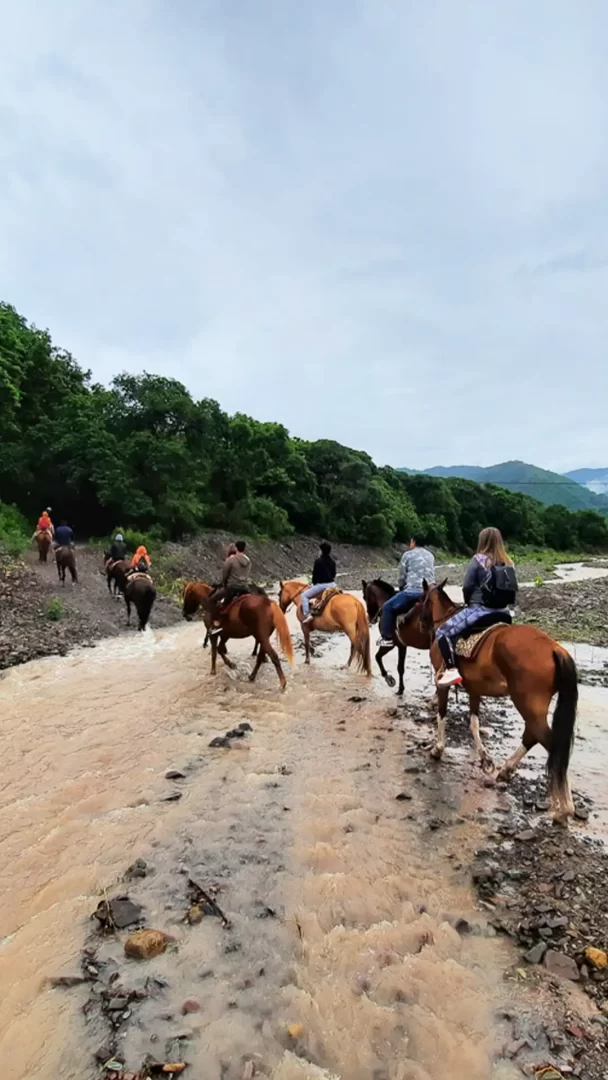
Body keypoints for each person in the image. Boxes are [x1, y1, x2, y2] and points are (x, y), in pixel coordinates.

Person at [435, 527, 518, 688]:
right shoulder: (509, 562)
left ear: (482, 541)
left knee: (442, 632)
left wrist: (468, 603)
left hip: (481, 610)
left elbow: (467, 586)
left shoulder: (478, 559)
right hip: (504, 612)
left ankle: (451, 670)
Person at [377, 535, 435, 646]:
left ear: (413, 542)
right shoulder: (431, 556)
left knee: (387, 606)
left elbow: (402, 576)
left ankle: (387, 638)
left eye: (410, 542)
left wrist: (402, 587)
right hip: (429, 593)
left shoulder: (407, 555)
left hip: (412, 592)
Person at [208, 540, 252, 632]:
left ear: (236, 547)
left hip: (232, 587)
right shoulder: (248, 560)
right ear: (244, 548)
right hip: (245, 587)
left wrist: (223, 583)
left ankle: (217, 623)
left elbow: (225, 575)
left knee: (212, 600)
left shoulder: (231, 560)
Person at [301, 541, 337, 625]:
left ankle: (307, 615)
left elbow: (315, 575)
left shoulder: (318, 561)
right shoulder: (332, 562)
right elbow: (334, 575)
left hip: (321, 585)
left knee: (304, 596)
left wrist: (313, 584)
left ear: (321, 551)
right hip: (333, 584)